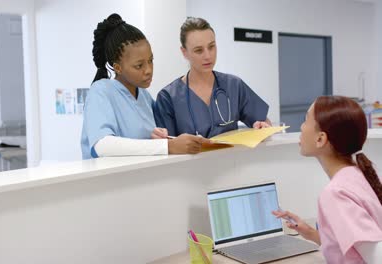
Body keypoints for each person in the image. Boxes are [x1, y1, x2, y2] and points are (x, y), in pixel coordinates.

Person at [81, 14, 209, 159]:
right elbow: (102, 146)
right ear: (118, 68)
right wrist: (168, 146)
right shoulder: (100, 91)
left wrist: (165, 137)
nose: (148, 70)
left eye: (150, 60)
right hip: (108, 180)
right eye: (139, 65)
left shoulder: (144, 96)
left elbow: (154, 138)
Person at [272, 96, 382, 263]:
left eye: (306, 120)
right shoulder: (359, 174)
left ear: (320, 139)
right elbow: (354, 248)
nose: (301, 127)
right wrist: (311, 233)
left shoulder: (336, 194)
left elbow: (376, 256)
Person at [154, 17, 271, 138]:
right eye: (199, 50)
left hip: (233, 157)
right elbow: (168, 145)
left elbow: (264, 122)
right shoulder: (168, 97)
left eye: (211, 47)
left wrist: (262, 126)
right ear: (184, 52)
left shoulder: (234, 85)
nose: (208, 56)